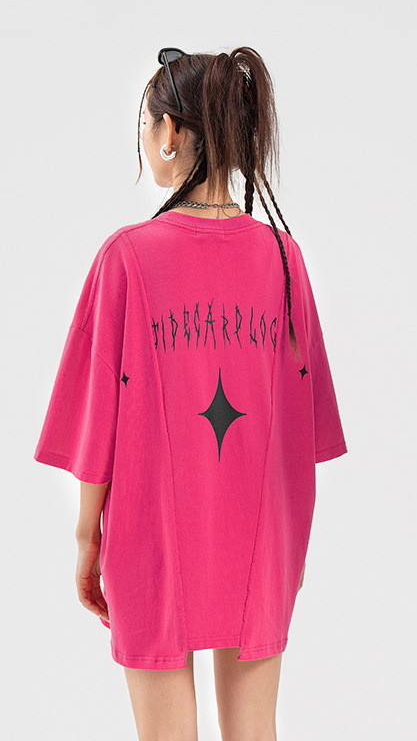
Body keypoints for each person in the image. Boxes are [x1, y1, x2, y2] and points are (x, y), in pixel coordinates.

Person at [33, 46, 347, 741]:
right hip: (264, 533)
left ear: (171, 132)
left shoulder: (126, 257)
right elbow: (304, 429)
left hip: (151, 533)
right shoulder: (285, 259)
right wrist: (289, 548)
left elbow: (97, 425)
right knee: (255, 730)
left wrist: (86, 538)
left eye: (146, 125)